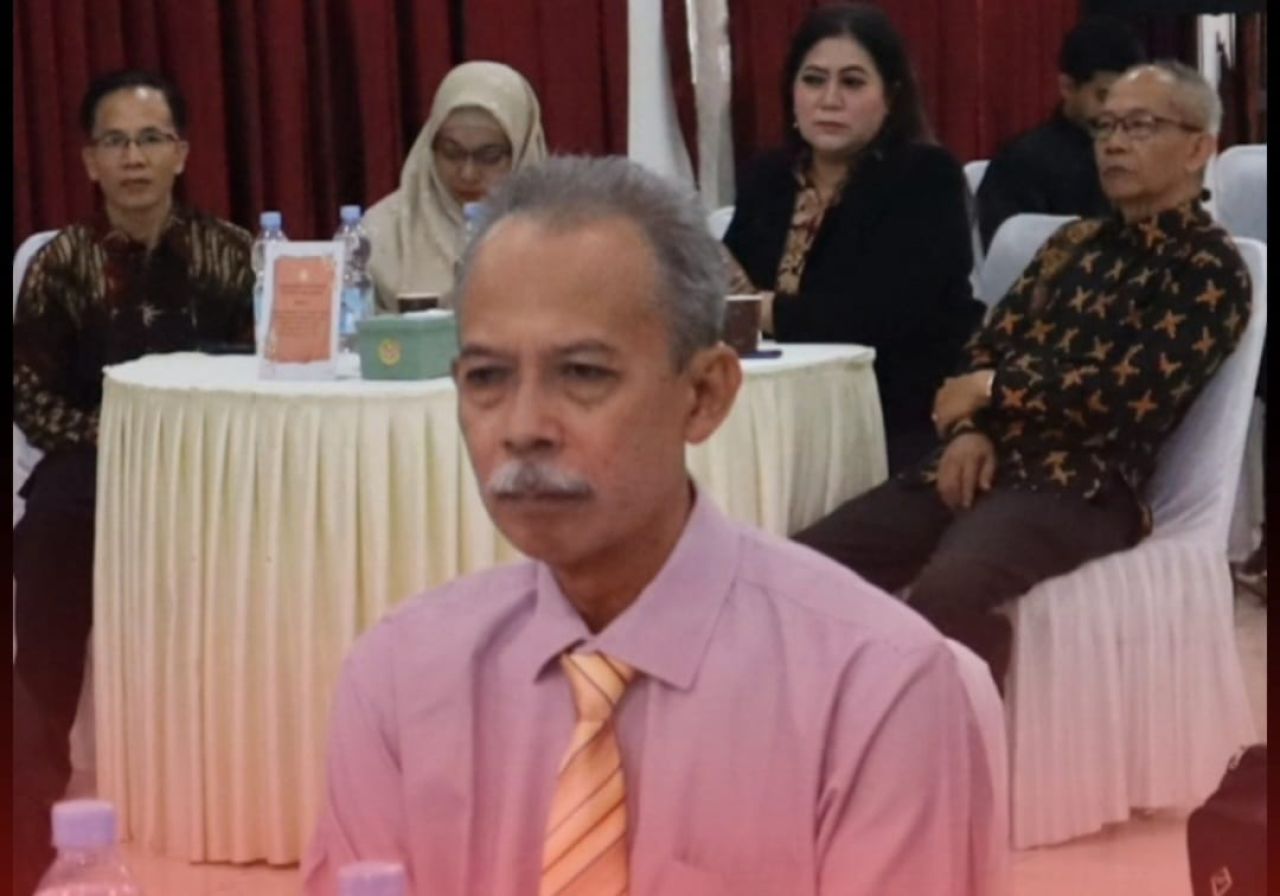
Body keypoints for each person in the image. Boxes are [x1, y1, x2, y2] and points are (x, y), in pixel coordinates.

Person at [304, 156, 999, 895]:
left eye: (582, 373)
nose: (523, 427)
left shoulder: (871, 686)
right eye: (487, 378)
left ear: (703, 396)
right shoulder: (402, 677)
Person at [794, 61, 1251, 689]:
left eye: (1140, 126)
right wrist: (969, 430)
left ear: (1199, 147)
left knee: (948, 594)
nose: (1114, 144)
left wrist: (995, 393)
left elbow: (1130, 395)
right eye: (1105, 127)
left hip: (1081, 484)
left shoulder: (1208, 268)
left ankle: (969, 728)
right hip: (981, 459)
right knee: (801, 570)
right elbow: (984, 348)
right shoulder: (1071, 245)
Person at [12, 69, 254, 802]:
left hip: (207, 468)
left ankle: (236, 786)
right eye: (115, 142)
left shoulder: (234, 255)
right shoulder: (60, 264)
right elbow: (31, 396)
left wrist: (186, 447)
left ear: (181, 151)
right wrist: (117, 442)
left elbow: (265, 373)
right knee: (46, 535)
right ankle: (32, 803)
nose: (134, 158)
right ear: (90, 161)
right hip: (93, 465)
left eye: (151, 138)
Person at [722, 2, 983, 473]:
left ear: (891, 96)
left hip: (894, 411)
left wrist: (764, 309)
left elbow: (881, 317)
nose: (829, 100)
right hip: (778, 408)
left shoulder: (926, 177)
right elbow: (728, 291)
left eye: (852, 82)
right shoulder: (768, 178)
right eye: (813, 80)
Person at [364, 61, 547, 312]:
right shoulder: (381, 232)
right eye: (451, 153)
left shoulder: (558, 232)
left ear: (522, 150)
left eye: (489, 156)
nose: (468, 173)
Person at [976, 15, 1146, 250]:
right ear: (1067, 87)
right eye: (1104, 95)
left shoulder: (1148, 154)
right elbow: (1012, 257)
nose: (1118, 111)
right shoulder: (1022, 164)